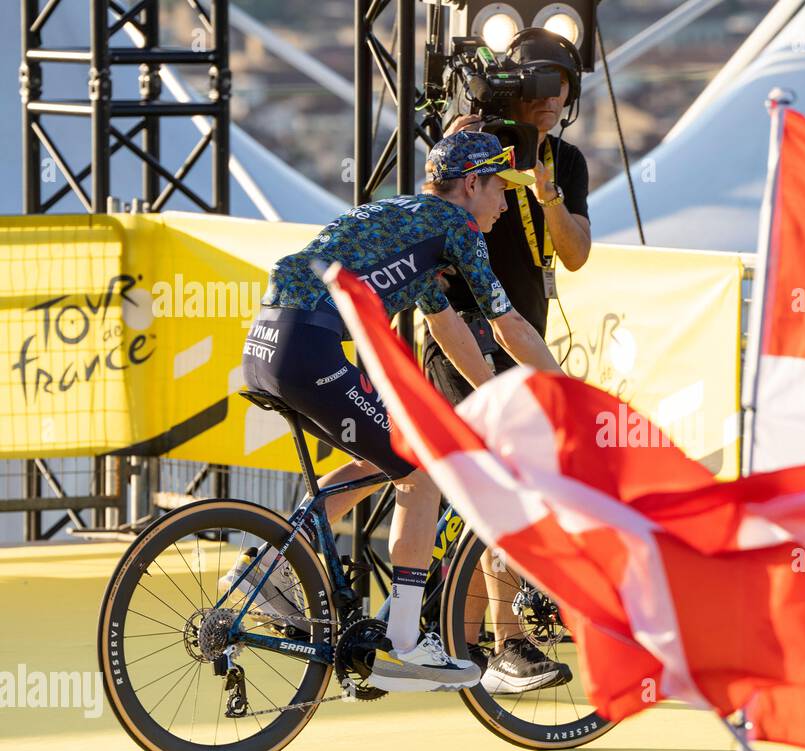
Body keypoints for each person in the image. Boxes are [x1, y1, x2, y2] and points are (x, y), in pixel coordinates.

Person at [225, 130, 562, 694]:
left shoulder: (411, 222)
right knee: (421, 468)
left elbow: (444, 323)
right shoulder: (457, 225)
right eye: (501, 188)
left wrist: (490, 396)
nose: (506, 203)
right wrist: (560, 394)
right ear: (472, 183)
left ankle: (264, 570)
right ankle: (405, 641)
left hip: (269, 343)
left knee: (382, 459)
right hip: (305, 345)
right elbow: (509, 325)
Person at [428, 28, 593, 695]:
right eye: (543, 92)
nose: (552, 106)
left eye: (564, 95)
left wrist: (546, 191)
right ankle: (506, 642)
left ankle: (464, 645)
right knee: (493, 480)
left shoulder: (564, 160)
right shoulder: (471, 140)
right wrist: (462, 142)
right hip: (461, 329)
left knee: (449, 484)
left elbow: (576, 254)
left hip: (515, 330)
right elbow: (429, 209)